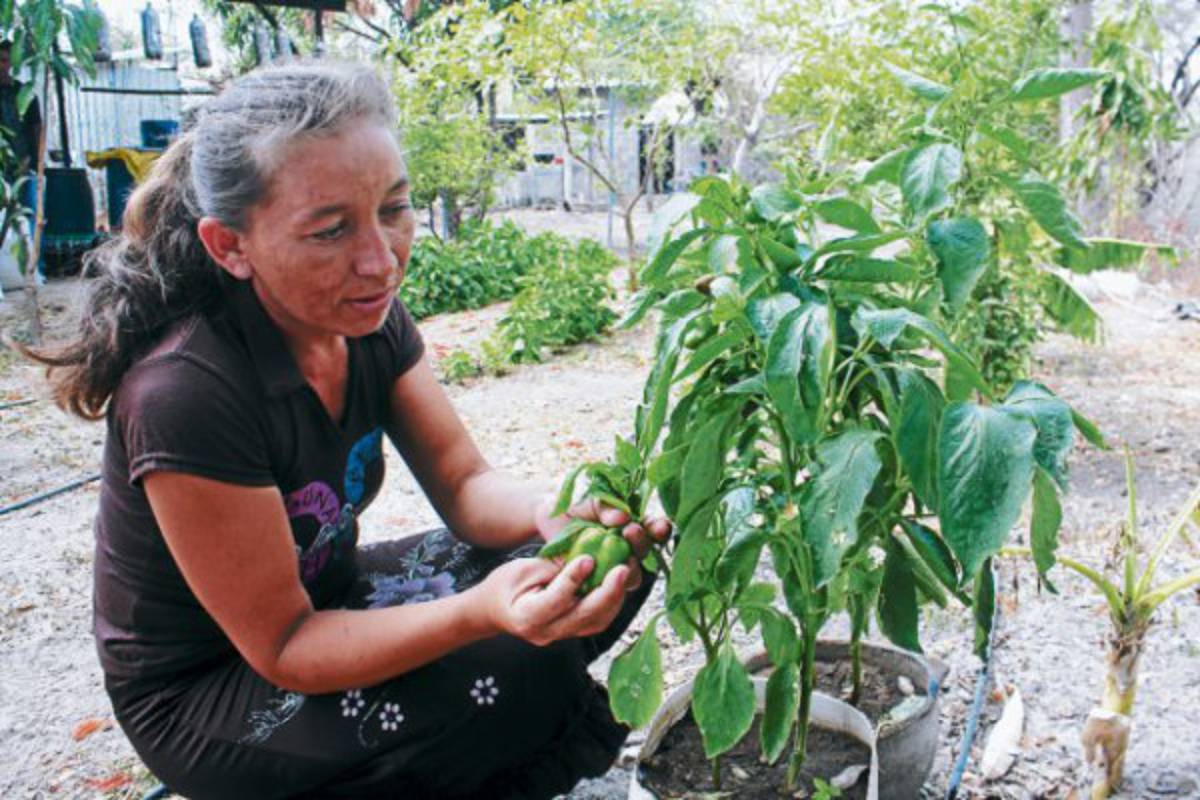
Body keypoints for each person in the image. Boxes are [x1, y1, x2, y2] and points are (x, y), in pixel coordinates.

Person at [32, 62, 668, 800]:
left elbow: (464, 484)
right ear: (229, 245)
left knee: (599, 559)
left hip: (327, 594)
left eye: (394, 209)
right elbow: (284, 644)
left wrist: (550, 512)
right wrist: (476, 613)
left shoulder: (360, 312)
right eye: (330, 230)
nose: (380, 259)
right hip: (215, 686)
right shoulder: (186, 392)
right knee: (508, 668)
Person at [0, 39, 42, 223]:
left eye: (4, 60)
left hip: (23, 169)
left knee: (27, 220)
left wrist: (35, 162)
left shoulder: (25, 93)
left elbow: (36, 130)